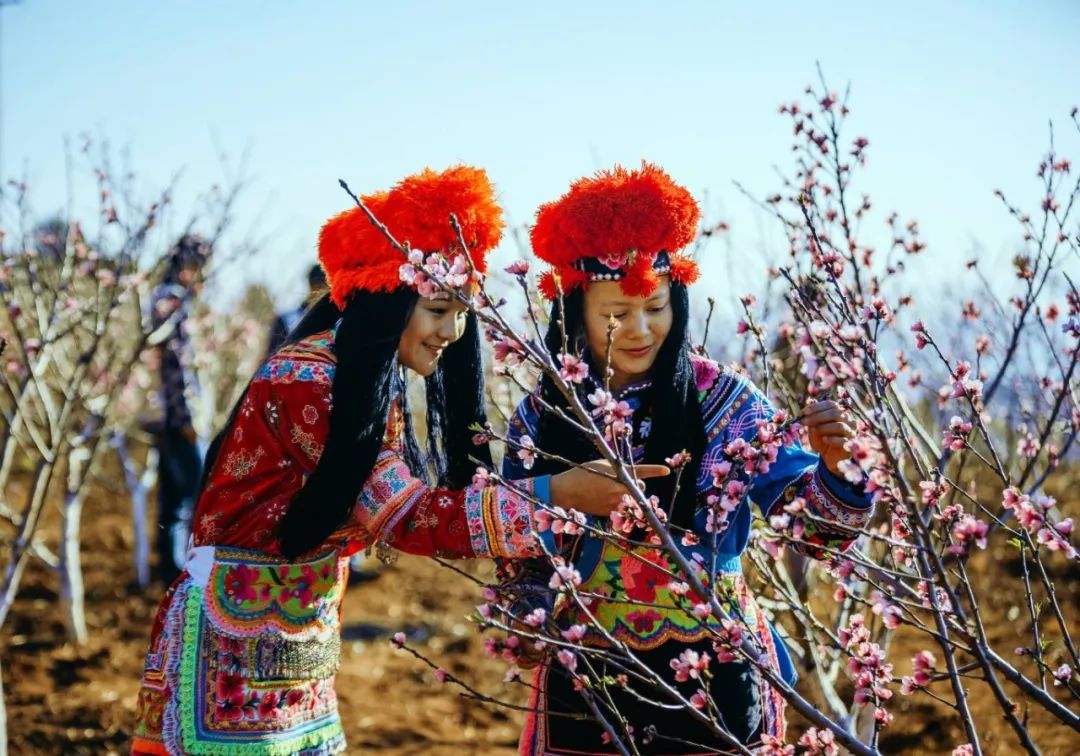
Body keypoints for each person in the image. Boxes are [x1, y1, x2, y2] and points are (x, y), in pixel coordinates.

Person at [131, 165, 662, 755]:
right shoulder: (309, 382)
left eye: (462, 313)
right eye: (438, 310)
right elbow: (409, 517)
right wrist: (559, 494)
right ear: (386, 301)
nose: (453, 332)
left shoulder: (355, 379)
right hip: (229, 654)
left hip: (290, 637)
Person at [503, 163, 875, 754]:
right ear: (575, 315)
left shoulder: (724, 401)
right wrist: (529, 610)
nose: (640, 330)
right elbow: (520, 546)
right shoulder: (545, 415)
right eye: (615, 315)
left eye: (655, 307)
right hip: (590, 674)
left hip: (717, 674)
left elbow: (814, 533)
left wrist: (838, 470)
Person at [149, 234, 210, 585]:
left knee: (174, 498)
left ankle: (169, 569)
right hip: (179, 418)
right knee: (194, 495)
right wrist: (187, 419)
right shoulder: (172, 302)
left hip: (167, 417)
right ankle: (184, 570)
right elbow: (180, 369)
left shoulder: (164, 298)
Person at [265, 263, 327, 359]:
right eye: (318, 285)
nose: (321, 291)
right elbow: (272, 356)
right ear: (310, 284)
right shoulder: (286, 320)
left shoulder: (339, 321)